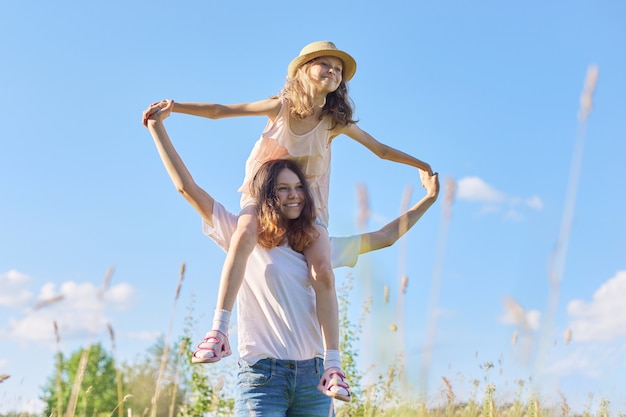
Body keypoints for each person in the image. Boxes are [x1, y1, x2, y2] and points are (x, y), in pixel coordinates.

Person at [142, 40, 433, 401]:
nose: (333, 71)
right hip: (261, 195)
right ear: (301, 71)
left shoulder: (333, 123)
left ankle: (333, 366)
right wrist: (175, 109)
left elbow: (380, 151)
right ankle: (218, 331)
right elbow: (220, 111)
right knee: (244, 233)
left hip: (311, 209)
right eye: (324, 64)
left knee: (323, 269)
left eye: (338, 69)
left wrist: (421, 167)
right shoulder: (279, 108)